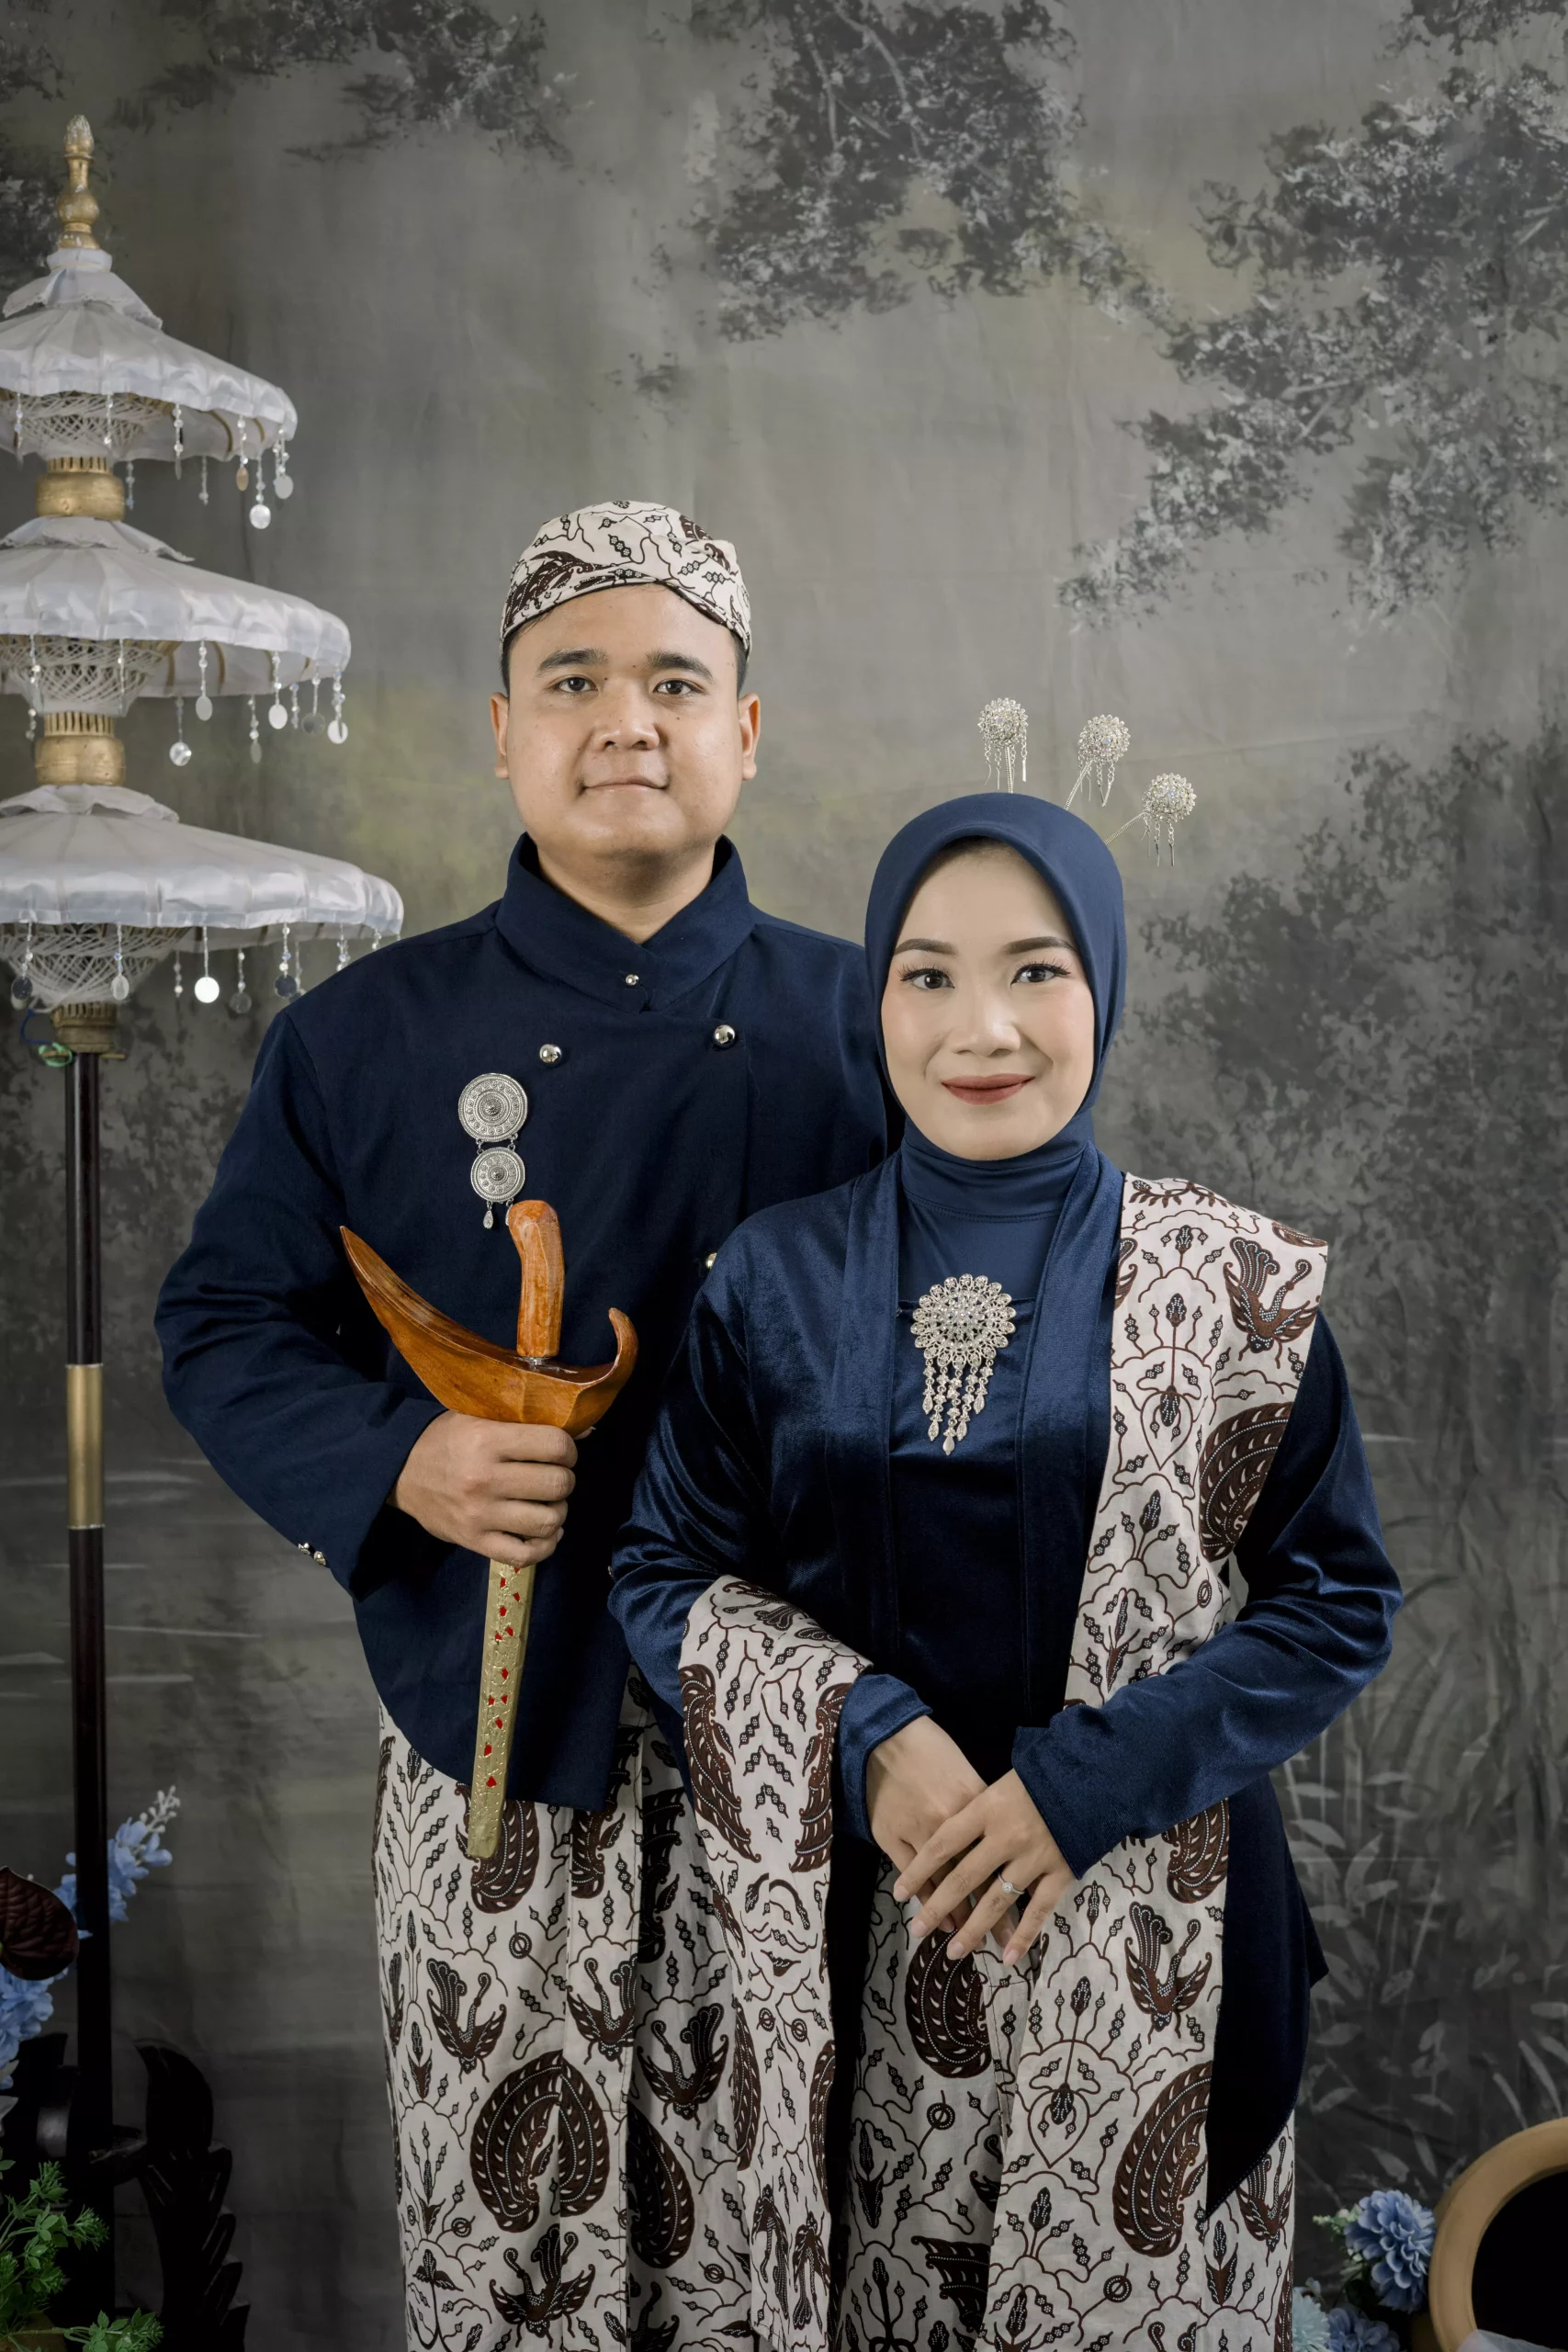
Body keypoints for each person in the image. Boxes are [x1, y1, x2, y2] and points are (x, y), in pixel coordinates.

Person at [154, 500, 889, 2348]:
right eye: (573, 681)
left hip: (810, 1755)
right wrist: (400, 1457)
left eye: (674, 683)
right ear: (503, 729)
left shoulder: (876, 1024)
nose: (624, 721)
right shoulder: (360, 1040)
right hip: (485, 1734)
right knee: (513, 2276)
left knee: (786, 2254)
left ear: (746, 729)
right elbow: (224, 1322)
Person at [608, 791, 1401, 2348]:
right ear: (878, 999)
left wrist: (1080, 1786)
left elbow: (1336, 1601)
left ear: (1103, 985)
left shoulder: (1235, 1288)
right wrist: (859, 1735)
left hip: (1156, 1945)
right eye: (927, 975)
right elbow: (663, 1567)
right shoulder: (773, 1276)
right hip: (850, 1933)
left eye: (1035, 971)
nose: (982, 1028)